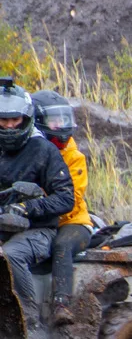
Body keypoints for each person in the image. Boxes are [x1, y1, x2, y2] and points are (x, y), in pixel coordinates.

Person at [0, 78, 74, 329]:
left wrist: (28, 207)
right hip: (3, 226)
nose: (9, 126)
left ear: (26, 119)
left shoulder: (43, 150)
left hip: (38, 230)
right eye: (4, 120)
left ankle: (27, 319)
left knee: (11, 255)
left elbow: (66, 198)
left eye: (15, 120)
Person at [32, 90, 92, 326]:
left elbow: (72, 201)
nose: (60, 127)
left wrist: (35, 208)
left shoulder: (74, 157)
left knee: (62, 246)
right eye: (54, 121)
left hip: (72, 222)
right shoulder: (27, 153)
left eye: (64, 120)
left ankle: (61, 304)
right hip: (39, 219)